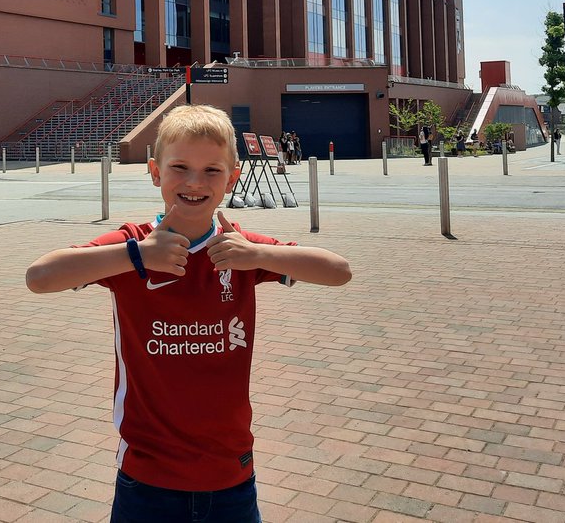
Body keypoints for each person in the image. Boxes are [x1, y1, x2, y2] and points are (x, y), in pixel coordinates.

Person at [25, 105, 351, 523]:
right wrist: (137, 255)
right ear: (155, 171)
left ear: (233, 177)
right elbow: (40, 276)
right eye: (179, 166)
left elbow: (339, 271)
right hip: (147, 480)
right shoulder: (133, 244)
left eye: (212, 170)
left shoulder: (241, 248)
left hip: (231, 474)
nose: (195, 182)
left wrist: (257, 254)